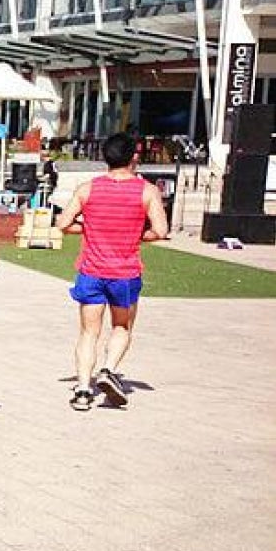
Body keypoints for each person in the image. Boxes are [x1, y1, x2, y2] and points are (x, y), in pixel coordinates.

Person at [55, 132, 168, 411]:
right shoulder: (147, 190)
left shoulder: (87, 189)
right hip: (125, 273)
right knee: (121, 326)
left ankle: (82, 390)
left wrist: (89, 228)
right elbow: (161, 231)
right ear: (134, 158)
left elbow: (62, 224)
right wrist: (135, 234)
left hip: (91, 271)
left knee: (88, 332)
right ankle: (107, 369)